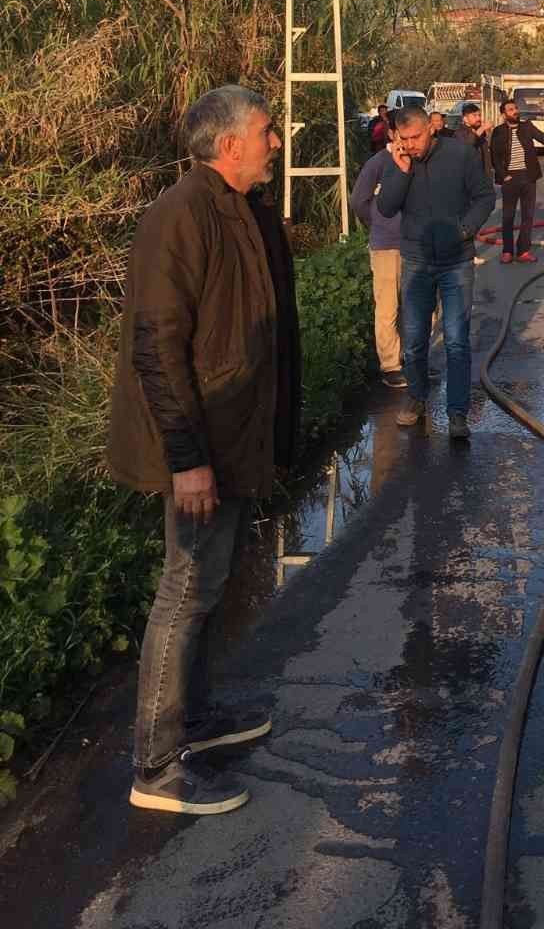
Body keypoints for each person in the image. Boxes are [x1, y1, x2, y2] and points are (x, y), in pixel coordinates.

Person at [107, 85, 301, 817]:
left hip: (231, 436)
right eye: (266, 133)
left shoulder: (236, 209)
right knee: (183, 591)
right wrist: (188, 459)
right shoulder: (181, 216)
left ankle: (195, 717)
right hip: (198, 445)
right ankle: (156, 767)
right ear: (229, 146)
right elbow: (157, 347)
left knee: (209, 586)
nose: (275, 143)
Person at [375, 106, 494, 438]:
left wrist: (465, 229)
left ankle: (457, 413)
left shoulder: (460, 155)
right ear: (397, 137)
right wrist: (400, 172)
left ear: (431, 128)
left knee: (456, 340)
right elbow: (385, 208)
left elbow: (485, 197)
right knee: (414, 340)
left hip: (456, 261)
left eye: (417, 137)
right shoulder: (399, 161)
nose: (412, 145)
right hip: (416, 261)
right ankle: (416, 397)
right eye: (405, 139)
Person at [350, 109, 408, 390]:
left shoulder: (418, 161)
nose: (408, 139)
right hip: (386, 246)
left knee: (422, 305)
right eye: (402, 132)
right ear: (391, 133)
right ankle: (391, 365)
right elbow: (359, 200)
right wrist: (378, 224)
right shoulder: (377, 163)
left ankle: (413, 357)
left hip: (416, 244)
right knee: (388, 308)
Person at [490, 96, 544, 264]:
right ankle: (508, 251)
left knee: (528, 216)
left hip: (529, 176)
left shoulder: (527, 127)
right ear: (504, 114)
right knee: (508, 216)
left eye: (515, 108)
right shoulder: (499, 131)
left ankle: (523, 251)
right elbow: (494, 157)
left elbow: (541, 136)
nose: (515, 111)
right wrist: (504, 176)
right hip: (510, 178)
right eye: (510, 110)